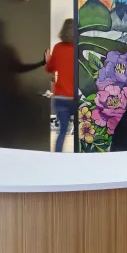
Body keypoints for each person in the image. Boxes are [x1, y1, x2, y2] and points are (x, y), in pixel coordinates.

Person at [45, 18, 75, 153]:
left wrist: (48, 60)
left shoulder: (58, 47)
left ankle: (57, 159)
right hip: (76, 97)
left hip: (61, 97)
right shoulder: (78, 47)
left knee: (62, 131)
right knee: (82, 131)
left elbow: (50, 69)